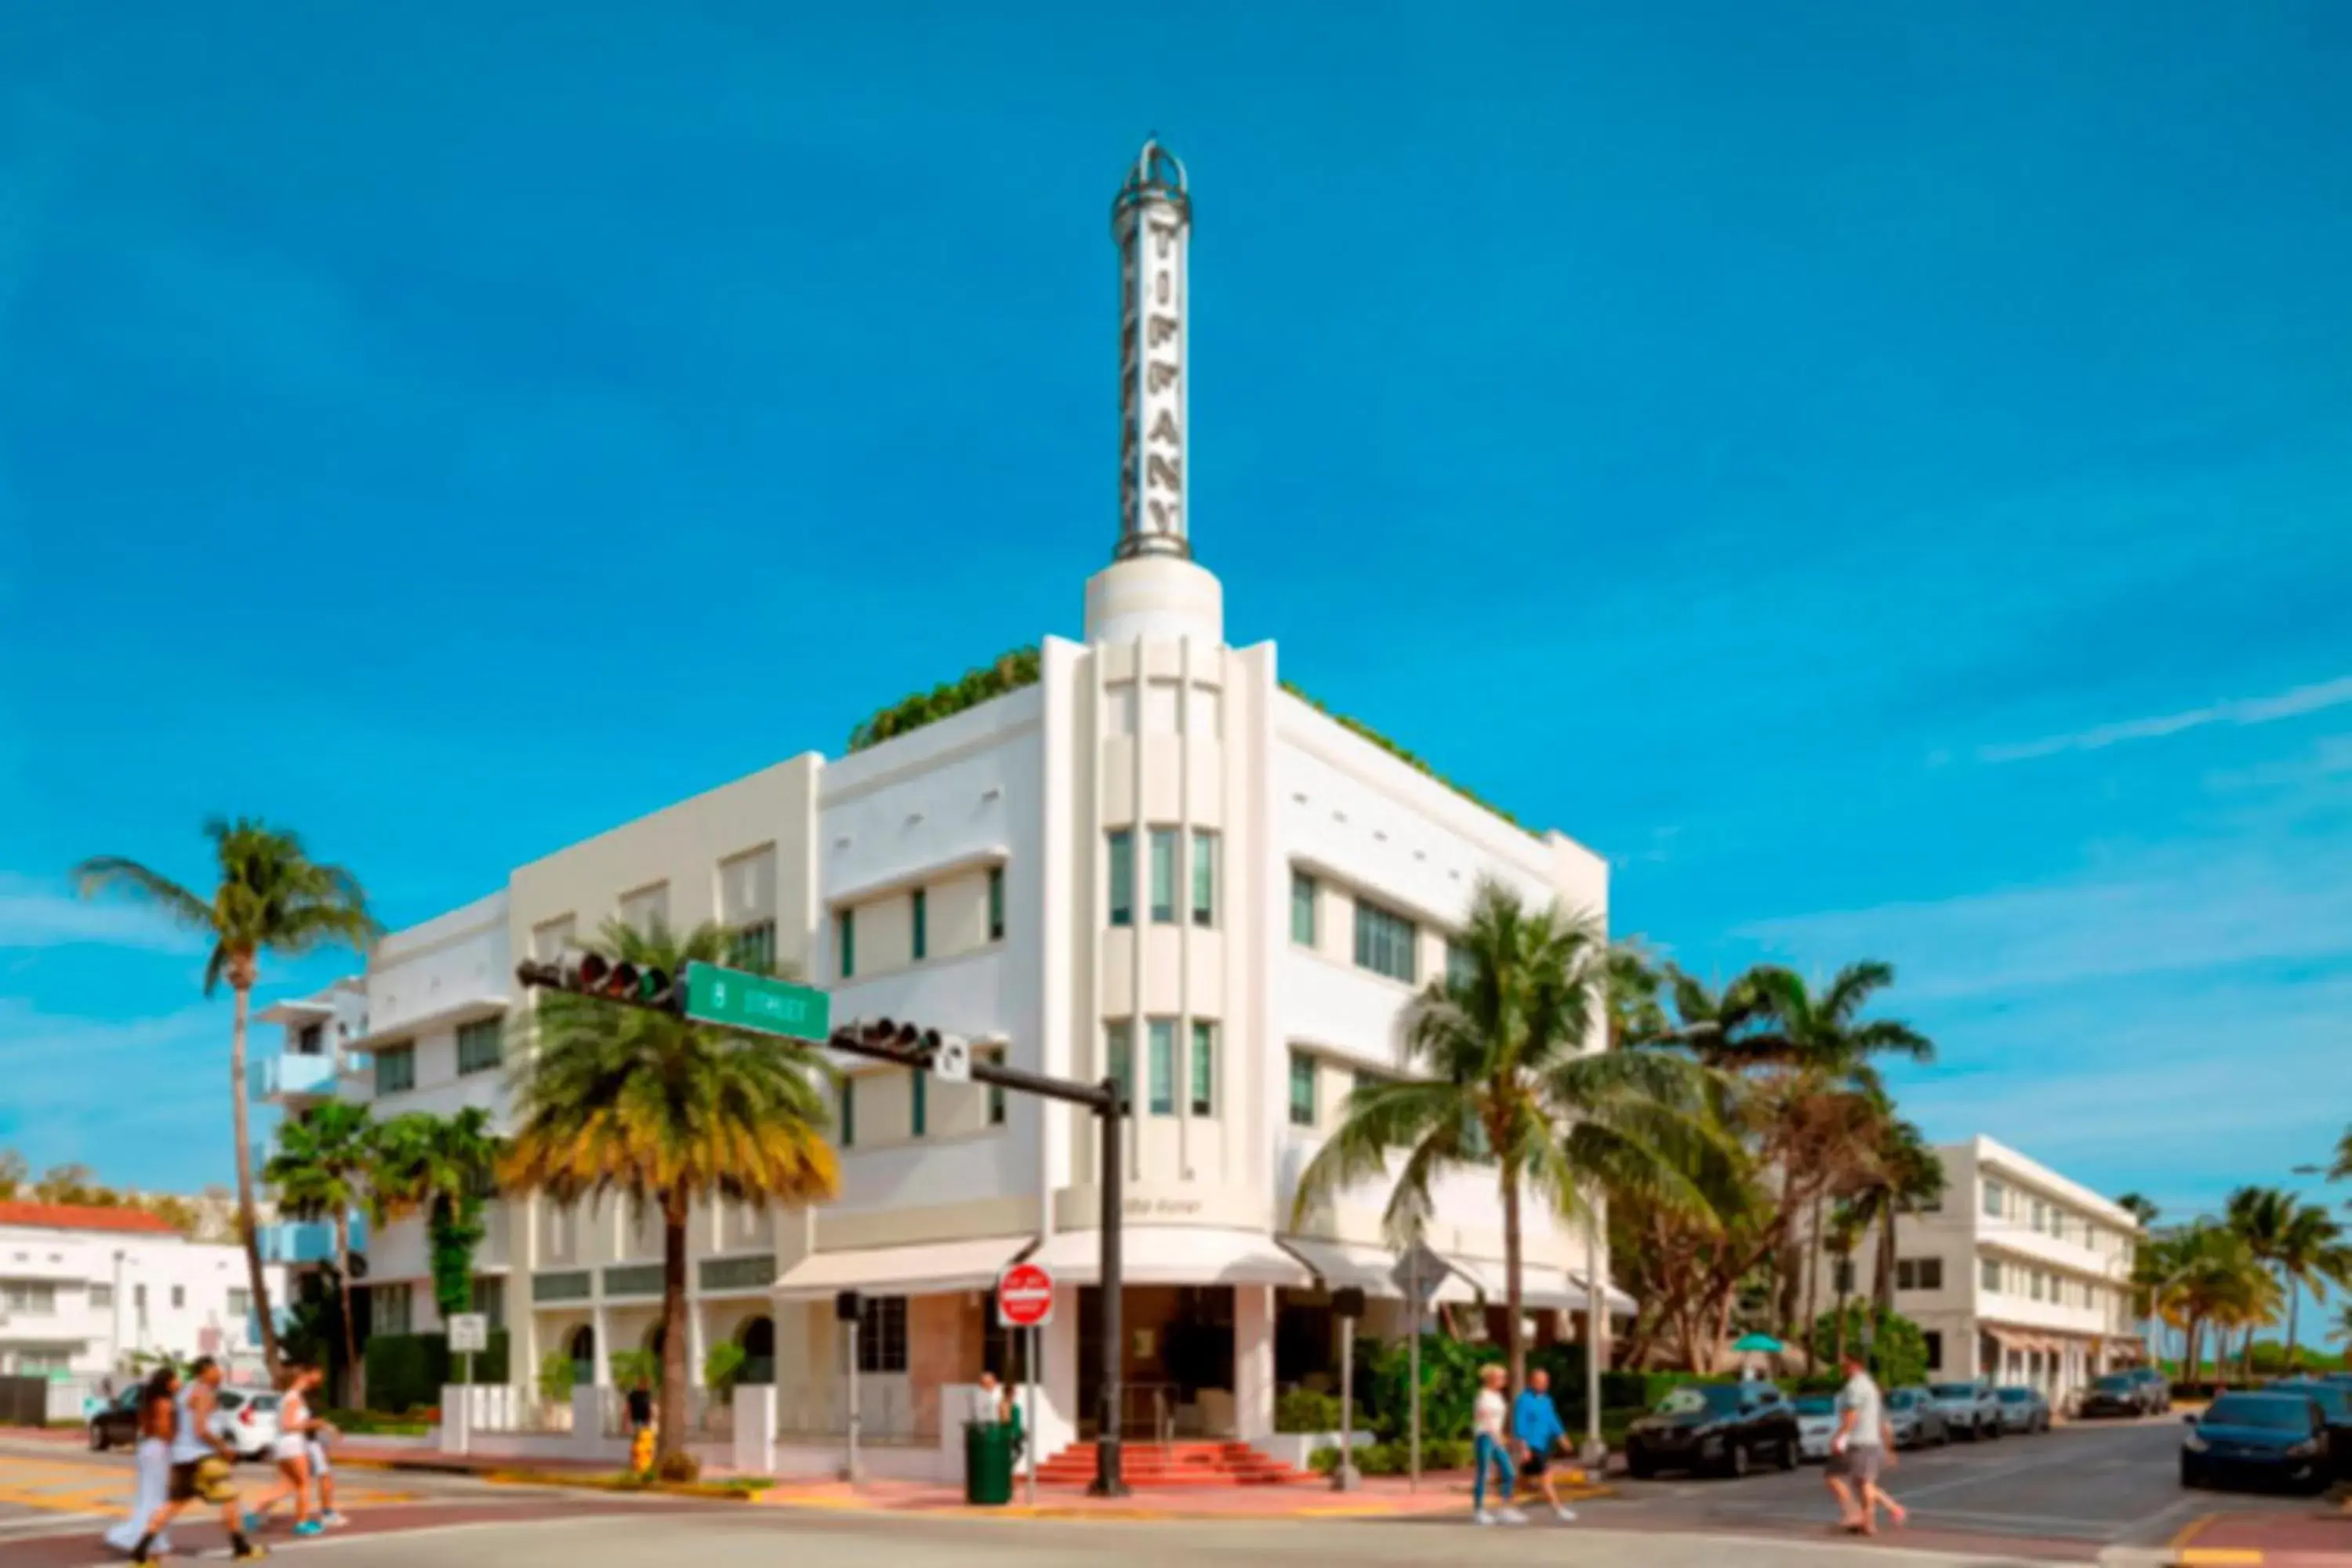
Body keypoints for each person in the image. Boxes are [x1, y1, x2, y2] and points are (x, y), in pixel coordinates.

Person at [131, 1356, 263, 1563]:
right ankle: (241, 1548)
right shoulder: (203, 1392)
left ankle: (141, 1549)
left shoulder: (185, 1391)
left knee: (174, 1503)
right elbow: (201, 1429)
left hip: (181, 1457)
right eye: (217, 1369)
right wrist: (224, 1449)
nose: (220, 1373)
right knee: (230, 1497)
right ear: (206, 1371)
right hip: (202, 1457)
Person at [1824, 1352, 1906, 1536]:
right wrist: (1888, 1446)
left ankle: (1855, 1514)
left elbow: (1851, 1415)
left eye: (1845, 1362)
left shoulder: (1854, 1387)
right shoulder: (1871, 1387)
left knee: (1833, 1476)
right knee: (1865, 1482)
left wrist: (1840, 1436)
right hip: (1871, 1441)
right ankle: (1871, 1521)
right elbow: (1883, 1422)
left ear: (1855, 1364)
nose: (1842, 1366)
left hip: (1856, 1440)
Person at [103, 1367, 180, 1557]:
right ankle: (149, 1537)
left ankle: (143, 1533)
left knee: (146, 1494)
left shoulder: (149, 1402)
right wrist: (175, 1441)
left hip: (146, 1448)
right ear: (167, 1383)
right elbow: (163, 1429)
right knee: (157, 1495)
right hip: (159, 1449)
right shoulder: (165, 1403)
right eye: (175, 1379)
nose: (179, 1382)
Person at [243, 1364, 323, 1537]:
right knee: (304, 1484)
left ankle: (253, 1513)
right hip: (292, 1445)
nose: (308, 1381)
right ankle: (302, 1523)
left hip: (283, 1446)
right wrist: (312, 1424)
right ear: (299, 1379)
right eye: (305, 1378)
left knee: (286, 1485)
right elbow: (287, 1425)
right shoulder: (293, 1398)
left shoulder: (288, 1397)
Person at [1511, 1367, 1576, 1523]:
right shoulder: (1524, 1400)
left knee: (1524, 1481)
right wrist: (1523, 1447)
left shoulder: (1547, 1400)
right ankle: (1558, 1509)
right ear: (1531, 1382)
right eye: (1539, 1381)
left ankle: (1508, 1505)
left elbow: (1552, 1420)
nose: (1543, 1384)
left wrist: (1562, 1437)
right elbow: (1520, 1424)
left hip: (1544, 1443)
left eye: (1545, 1381)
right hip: (1532, 1444)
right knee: (1546, 1477)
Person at [1470, 1364, 1526, 1526]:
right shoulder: (1483, 1396)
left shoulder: (1498, 1396)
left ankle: (1504, 1509)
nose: (1504, 1380)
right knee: (1483, 1473)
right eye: (1501, 1377)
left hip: (1496, 1438)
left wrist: (1501, 1436)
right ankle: (1478, 1511)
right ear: (1491, 1379)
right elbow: (1485, 1418)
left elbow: (1499, 1420)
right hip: (1485, 1437)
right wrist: (1498, 1437)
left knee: (1509, 1472)